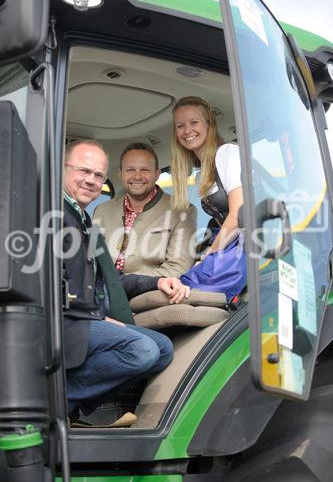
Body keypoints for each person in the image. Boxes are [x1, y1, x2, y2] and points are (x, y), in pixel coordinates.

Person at [63, 139, 189, 426]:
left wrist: (155, 284)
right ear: (63, 170)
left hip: (91, 313)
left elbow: (109, 278)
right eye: (83, 171)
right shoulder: (57, 216)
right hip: (67, 319)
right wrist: (99, 317)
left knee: (163, 350)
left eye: (98, 175)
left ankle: (71, 404)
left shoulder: (82, 219)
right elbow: (55, 283)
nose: (91, 180)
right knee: (141, 350)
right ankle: (55, 398)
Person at [170, 96, 246, 298]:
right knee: (182, 283)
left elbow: (239, 216)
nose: (187, 131)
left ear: (209, 124)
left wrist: (209, 254)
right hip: (229, 244)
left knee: (189, 286)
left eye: (194, 122)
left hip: (246, 245)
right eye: (180, 126)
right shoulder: (201, 174)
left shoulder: (227, 153)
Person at [93, 142, 197, 277]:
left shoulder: (182, 211)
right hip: (103, 293)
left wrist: (128, 283)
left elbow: (177, 269)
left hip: (148, 293)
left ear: (157, 174)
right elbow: (91, 261)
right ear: (120, 174)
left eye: (145, 170)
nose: (137, 176)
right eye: (130, 170)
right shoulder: (102, 211)